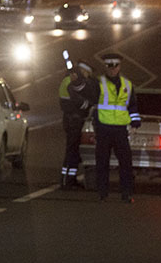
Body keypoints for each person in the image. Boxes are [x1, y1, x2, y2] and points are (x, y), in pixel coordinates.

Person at [92, 52, 140, 202]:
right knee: (102, 162)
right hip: (104, 128)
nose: (112, 69)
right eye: (109, 66)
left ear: (120, 66)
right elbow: (92, 101)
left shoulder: (127, 84)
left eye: (115, 66)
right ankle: (102, 193)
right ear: (105, 67)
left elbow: (132, 105)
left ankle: (127, 194)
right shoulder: (98, 83)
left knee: (126, 162)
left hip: (120, 130)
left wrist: (135, 122)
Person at [57, 55, 93, 189]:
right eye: (87, 73)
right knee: (72, 151)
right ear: (83, 71)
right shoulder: (72, 82)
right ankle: (67, 180)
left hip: (71, 119)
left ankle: (70, 178)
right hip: (74, 120)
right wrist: (89, 105)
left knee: (73, 151)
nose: (88, 76)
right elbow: (79, 102)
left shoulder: (67, 80)